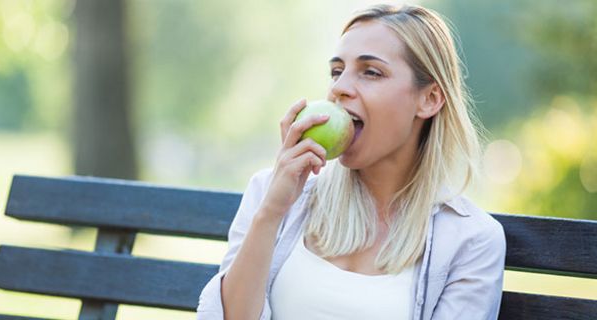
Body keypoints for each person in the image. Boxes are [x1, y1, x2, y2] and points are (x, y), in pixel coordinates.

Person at [196, 3, 506, 320]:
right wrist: (272, 211)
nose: (339, 88)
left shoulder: (471, 241)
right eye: (336, 72)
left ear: (429, 99)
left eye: (371, 72)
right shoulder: (272, 194)